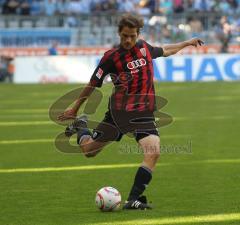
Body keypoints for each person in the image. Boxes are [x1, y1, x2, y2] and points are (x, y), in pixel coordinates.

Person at [58, 14, 204, 210]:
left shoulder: (144, 47)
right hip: (119, 113)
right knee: (89, 152)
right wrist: (74, 109)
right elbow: (93, 84)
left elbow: (166, 50)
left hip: (143, 112)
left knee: (153, 152)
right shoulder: (111, 58)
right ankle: (81, 126)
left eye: (132, 36)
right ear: (119, 33)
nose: (128, 40)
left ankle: (133, 199)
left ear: (138, 34)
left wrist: (187, 42)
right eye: (125, 36)